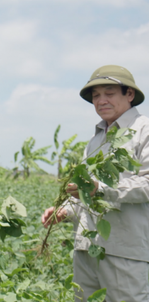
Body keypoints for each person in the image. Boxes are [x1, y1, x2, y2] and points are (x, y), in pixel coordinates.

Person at [41, 65, 149, 302]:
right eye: (96, 96)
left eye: (109, 93)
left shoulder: (144, 131)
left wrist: (101, 189)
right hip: (87, 247)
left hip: (124, 248)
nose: (101, 101)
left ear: (129, 94)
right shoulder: (96, 139)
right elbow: (84, 190)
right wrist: (65, 211)